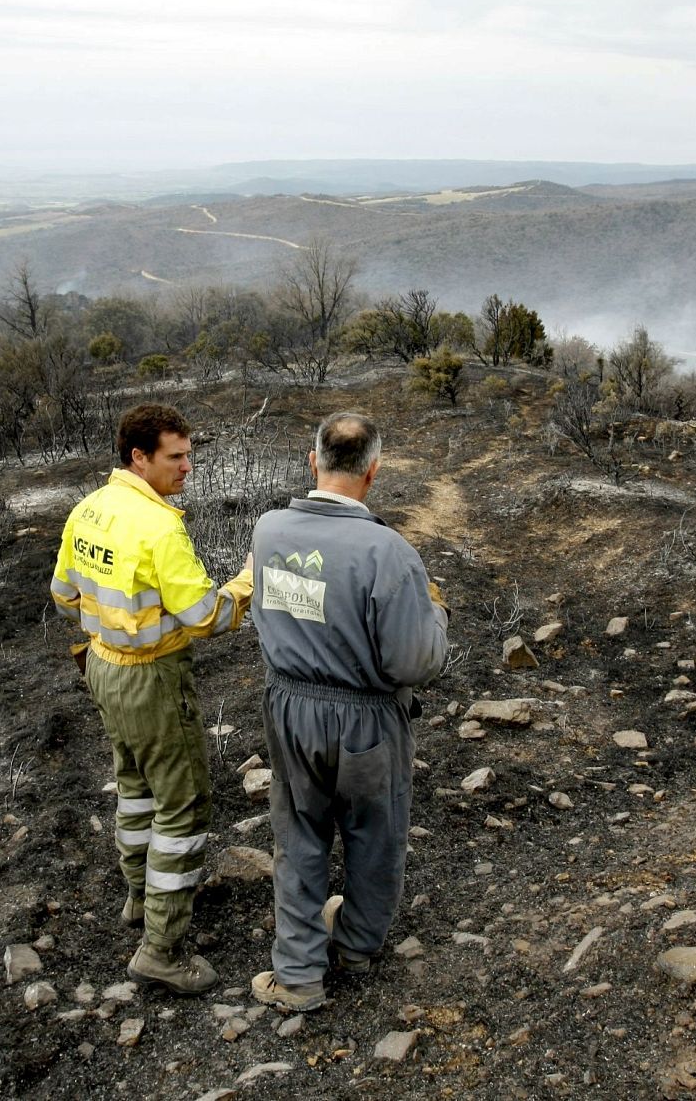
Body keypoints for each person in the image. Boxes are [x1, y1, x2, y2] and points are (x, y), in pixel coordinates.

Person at [248, 412, 450, 1011]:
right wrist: (437, 616)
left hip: (289, 709)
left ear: (314, 461)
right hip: (367, 720)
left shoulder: (268, 530)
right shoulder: (389, 552)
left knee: (298, 833)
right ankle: (357, 945)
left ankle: (298, 977)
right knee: (375, 832)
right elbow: (415, 662)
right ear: (373, 471)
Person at [50, 403, 253, 994]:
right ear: (139, 457)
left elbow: (64, 595)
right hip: (152, 679)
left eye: (189, 455)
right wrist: (248, 581)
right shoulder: (160, 527)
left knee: (136, 787)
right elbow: (205, 617)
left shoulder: (88, 509)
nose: (188, 467)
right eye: (176, 457)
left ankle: (141, 898)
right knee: (183, 806)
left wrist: (114, 625)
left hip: (102, 668)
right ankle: (162, 949)